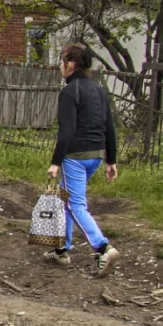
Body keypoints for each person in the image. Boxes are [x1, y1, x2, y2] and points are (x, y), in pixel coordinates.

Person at [45, 43, 121, 277]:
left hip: (75, 157)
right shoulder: (99, 90)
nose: (60, 66)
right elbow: (110, 127)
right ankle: (61, 250)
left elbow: (66, 130)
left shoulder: (70, 91)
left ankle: (102, 248)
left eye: (62, 61)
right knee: (65, 200)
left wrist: (56, 162)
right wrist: (111, 161)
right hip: (96, 155)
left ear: (71, 64)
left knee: (75, 204)